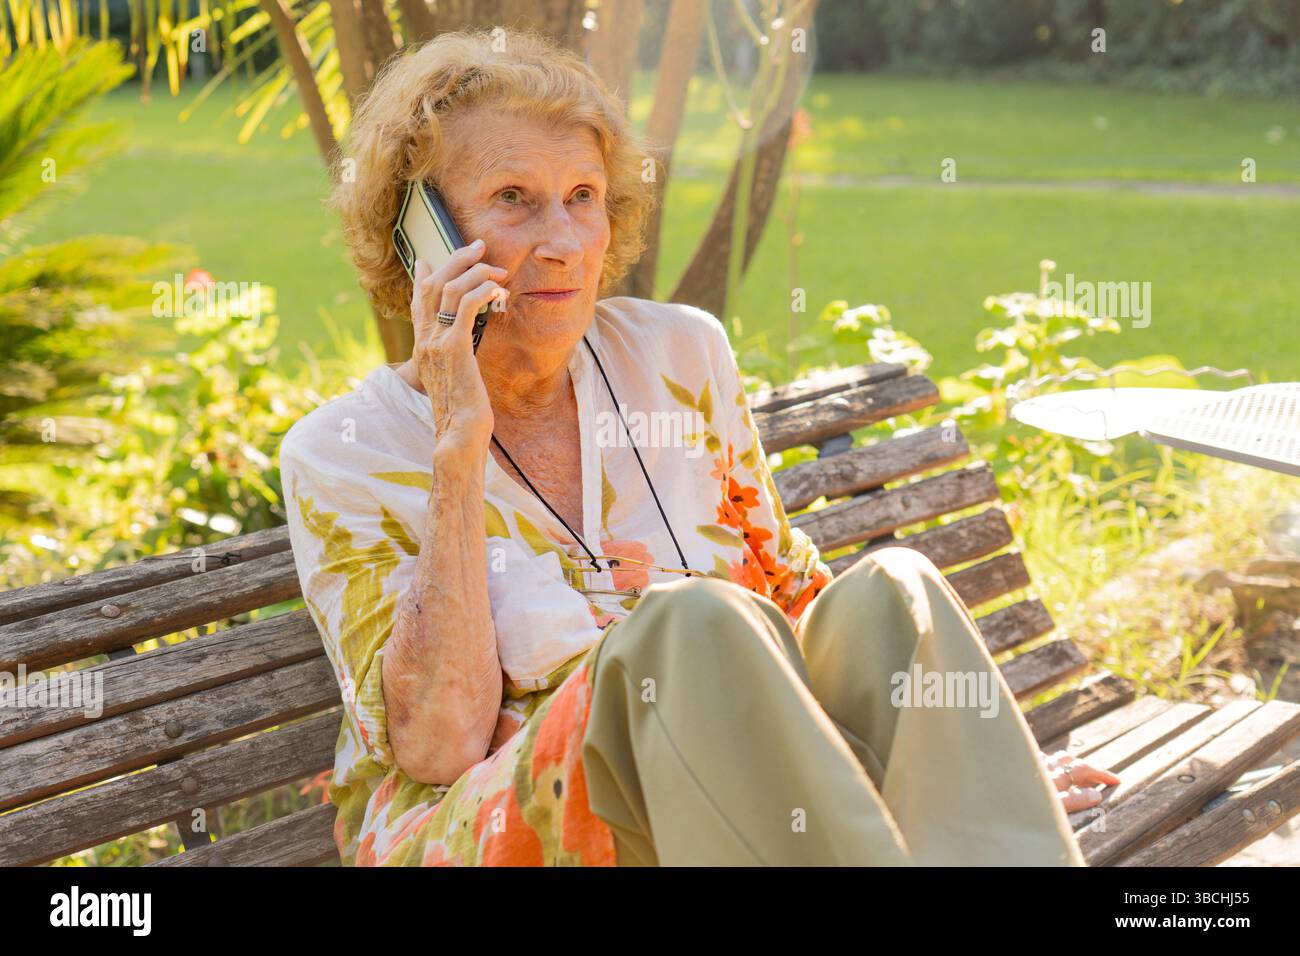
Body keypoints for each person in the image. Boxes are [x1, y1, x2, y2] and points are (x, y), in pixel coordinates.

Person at [279, 28, 1118, 867]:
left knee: (891, 593)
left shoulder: (680, 355)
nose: (564, 240)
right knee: (689, 620)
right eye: (513, 198)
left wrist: (960, 777)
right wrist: (458, 445)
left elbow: (790, 590)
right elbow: (440, 745)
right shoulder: (341, 455)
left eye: (582, 196)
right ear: (421, 234)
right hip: (509, 824)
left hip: (742, 794)